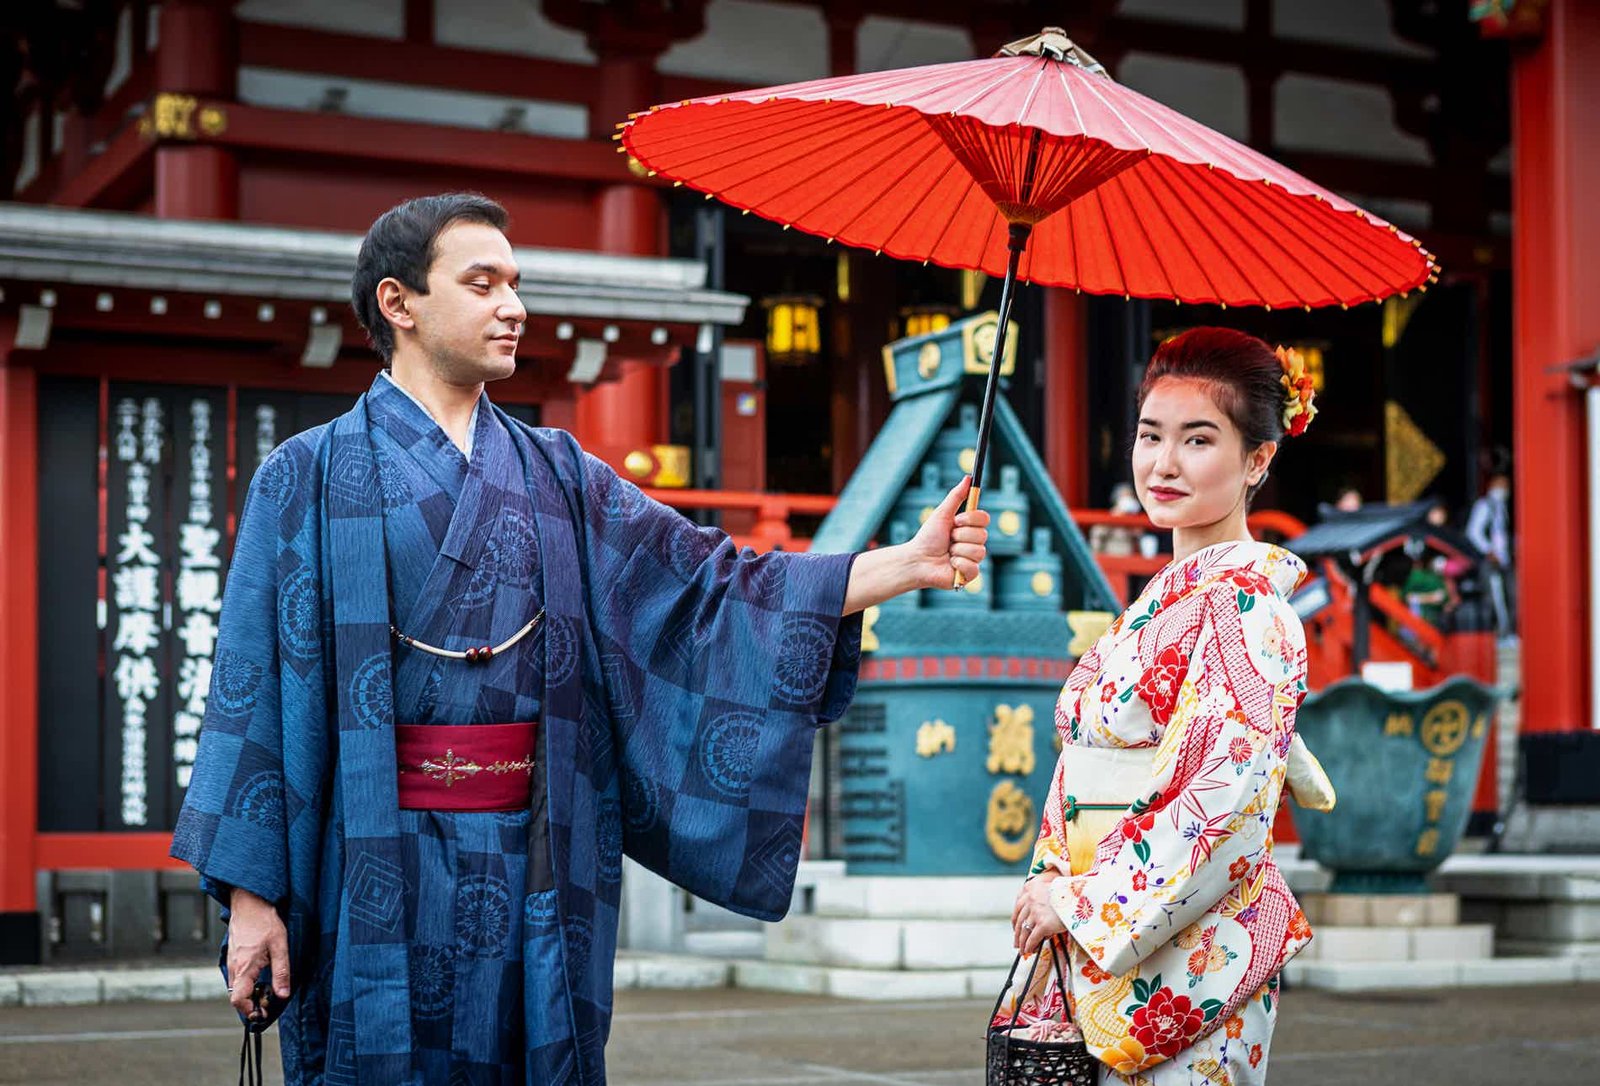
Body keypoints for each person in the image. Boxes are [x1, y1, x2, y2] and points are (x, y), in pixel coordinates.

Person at [170, 193, 990, 1085]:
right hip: (369, 854)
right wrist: (251, 900)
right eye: (482, 283)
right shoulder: (307, 475)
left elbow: (711, 587)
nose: (513, 305)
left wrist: (906, 564)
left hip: (538, 854)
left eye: (515, 284)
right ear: (398, 304)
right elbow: (251, 685)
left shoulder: (559, 473)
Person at [1001, 328, 1326, 1084]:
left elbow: (1220, 799)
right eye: (1151, 436)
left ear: (1258, 460)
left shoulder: (1250, 613)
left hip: (1190, 950)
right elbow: (1083, 773)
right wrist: (1048, 883)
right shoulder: (1165, 603)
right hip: (1108, 933)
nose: (1164, 463)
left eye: (1198, 439)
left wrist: (1080, 903)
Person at [1466, 472, 1516, 642]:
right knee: (1495, 597)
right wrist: (1489, 551)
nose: (1504, 489)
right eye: (1501, 485)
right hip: (1490, 560)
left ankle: (1510, 631)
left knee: (1512, 595)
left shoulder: (1505, 508)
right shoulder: (1484, 505)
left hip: (1506, 560)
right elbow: (1474, 532)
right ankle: (1498, 632)